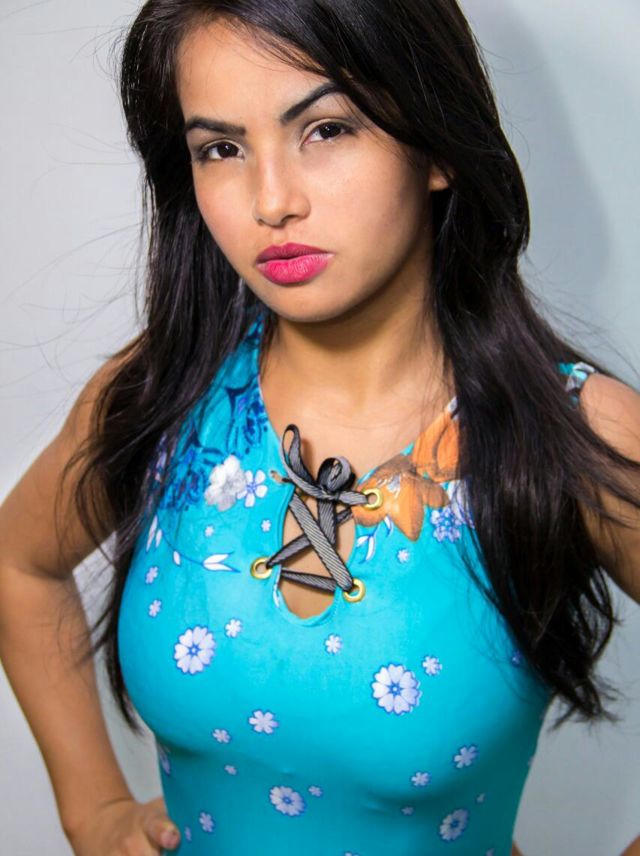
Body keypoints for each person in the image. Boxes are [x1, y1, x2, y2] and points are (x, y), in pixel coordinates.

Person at [0, 0, 639, 853]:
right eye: (221, 148)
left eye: (327, 129)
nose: (272, 201)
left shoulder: (569, 432)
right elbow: (18, 562)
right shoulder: (161, 392)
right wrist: (93, 810)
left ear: (439, 146)